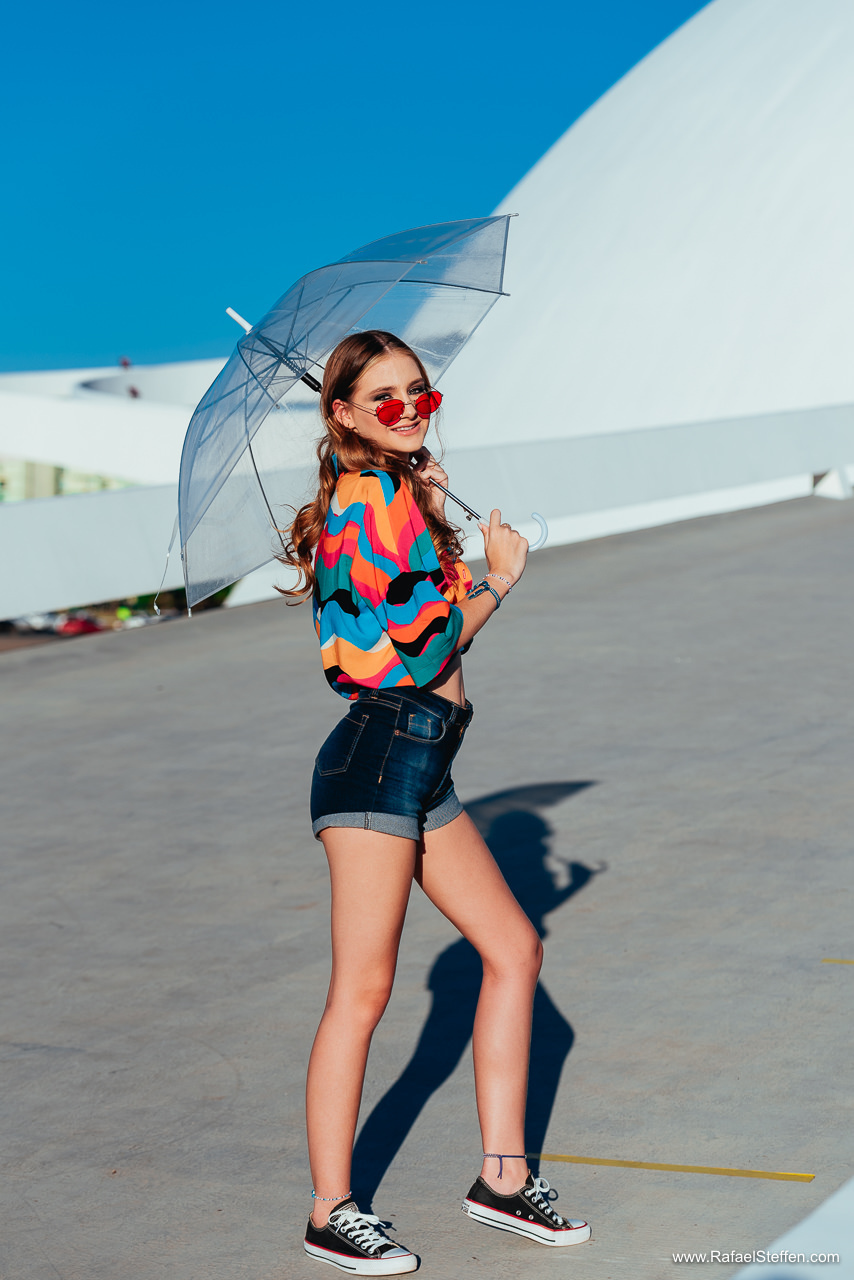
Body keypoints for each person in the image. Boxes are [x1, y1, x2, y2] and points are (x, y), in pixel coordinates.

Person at [281, 330, 591, 1274]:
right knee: (364, 991)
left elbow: (420, 619)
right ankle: (331, 1210)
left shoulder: (392, 497)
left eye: (421, 394)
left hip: (424, 764)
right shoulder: (368, 501)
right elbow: (424, 652)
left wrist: (435, 522)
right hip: (380, 761)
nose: (410, 409)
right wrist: (499, 579)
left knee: (514, 947)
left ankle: (502, 1182)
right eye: (386, 399)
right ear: (342, 415)